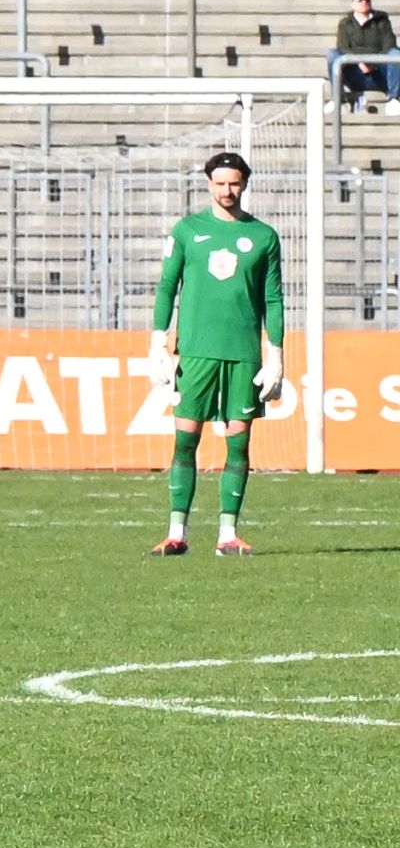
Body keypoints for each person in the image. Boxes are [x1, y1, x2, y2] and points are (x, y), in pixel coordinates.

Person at [147, 151, 284, 559]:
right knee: (185, 440)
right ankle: (176, 533)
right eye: (220, 183)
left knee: (238, 443)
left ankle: (228, 534)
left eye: (234, 183)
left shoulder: (263, 236)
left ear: (244, 184)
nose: (228, 190)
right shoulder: (188, 231)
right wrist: (158, 340)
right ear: (209, 184)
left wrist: (275, 353)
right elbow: (167, 286)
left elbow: (273, 298)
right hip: (196, 353)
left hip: (243, 354)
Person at [326, 0, 400, 116]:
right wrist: (359, 62)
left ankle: (394, 99)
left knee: (395, 54)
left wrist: (373, 64)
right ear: (353, 4)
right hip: (354, 71)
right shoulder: (345, 24)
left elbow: (389, 44)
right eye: (361, 0)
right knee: (333, 55)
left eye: (367, 0)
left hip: (379, 73)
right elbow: (343, 47)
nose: (365, 3)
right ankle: (339, 99)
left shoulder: (382, 22)